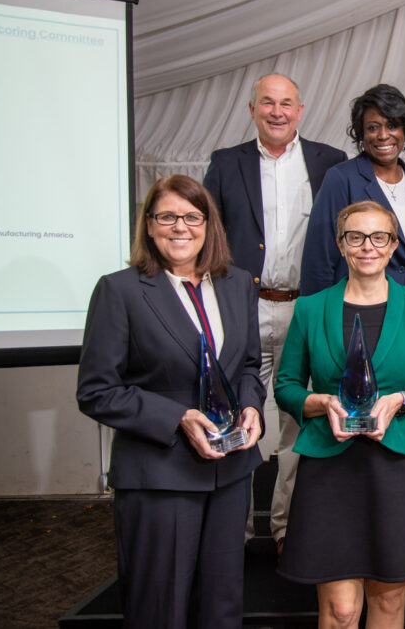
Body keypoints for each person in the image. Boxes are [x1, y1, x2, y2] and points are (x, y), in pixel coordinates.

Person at [77, 174, 265, 629]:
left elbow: (247, 365)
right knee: (159, 610)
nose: (180, 227)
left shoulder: (238, 283)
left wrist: (252, 407)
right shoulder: (120, 290)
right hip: (159, 475)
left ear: (209, 224)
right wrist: (178, 417)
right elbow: (96, 391)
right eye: (167, 216)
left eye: (192, 216)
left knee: (221, 609)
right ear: (148, 224)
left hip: (230, 473)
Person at [274, 201, 405, 628]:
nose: (367, 246)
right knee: (341, 610)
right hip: (330, 468)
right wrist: (321, 404)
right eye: (356, 236)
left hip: (397, 466)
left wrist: (402, 400)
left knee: (388, 602)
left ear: (393, 246)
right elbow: (286, 386)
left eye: (379, 237)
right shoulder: (310, 308)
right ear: (341, 244)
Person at [204, 72, 347, 554]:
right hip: (241, 309)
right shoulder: (226, 163)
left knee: (298, 420)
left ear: (300, 111)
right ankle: (235, 531)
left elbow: (366, 203)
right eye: (268, 102)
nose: (277, 112)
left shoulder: (331, 162)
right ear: (252, 109)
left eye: (287, 103)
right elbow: (207, 233)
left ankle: (287, 528)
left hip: (305, 308)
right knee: (233, 416)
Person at [300, 84, 405, 295]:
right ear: (361, 133)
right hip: (353, 307)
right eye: (373, 127)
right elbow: (319, 260)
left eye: (392, 125)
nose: (383, 135)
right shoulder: (341, 179)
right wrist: (318, 312)